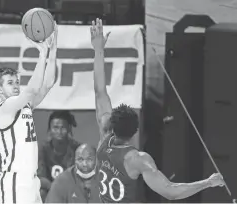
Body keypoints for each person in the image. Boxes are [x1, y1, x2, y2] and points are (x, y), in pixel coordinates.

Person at [90, 18, 225, 203]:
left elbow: (100, 91)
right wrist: (208, 182)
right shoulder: (137, 159)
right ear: (135, 132)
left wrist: (98, 49)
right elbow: (170, 192)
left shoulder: (104, 139)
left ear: (112, 126)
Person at [0, 23, 58, 204]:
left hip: (31, 180)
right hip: (14, 180)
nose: (15, 85)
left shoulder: (25, 106)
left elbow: (47, 83)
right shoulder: (4, 108)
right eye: (9, 83)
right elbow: (32, 89)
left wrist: (52, 50)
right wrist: (42, 53)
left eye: (16, 81)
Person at [37, 110, 81, 201]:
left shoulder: (77, 149)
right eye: (55, 128)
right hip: (50, 189)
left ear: (69, 128)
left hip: (71, 190)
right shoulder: (43, 149)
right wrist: (55, 189)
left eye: (63, 128)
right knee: (41, 193)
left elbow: (80, 178)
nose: (59, 131)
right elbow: (40, 178)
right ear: (49, 129)